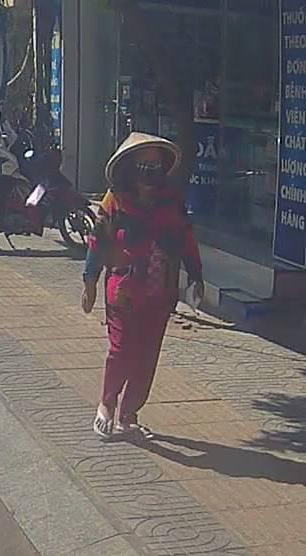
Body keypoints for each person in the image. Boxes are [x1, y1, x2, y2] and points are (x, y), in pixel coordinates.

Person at [81, 132, 203, 440]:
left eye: (155, 164)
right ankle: (107, 404)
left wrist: (196, 275)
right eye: (143, 164)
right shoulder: (115, 201)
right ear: (130, 167)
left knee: (147, 355)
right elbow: (97, 242)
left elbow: (187, 240)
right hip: (123, 290)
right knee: (122, 350)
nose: (149, 170)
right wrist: (89, 281)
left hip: (160, 292)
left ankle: (129, 415)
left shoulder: (172, 202)